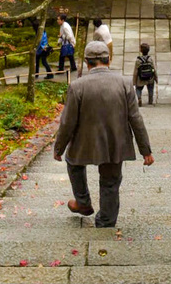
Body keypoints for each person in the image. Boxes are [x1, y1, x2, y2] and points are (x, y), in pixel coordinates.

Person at [54, 40, 154, 227]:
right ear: (108, 60)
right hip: (115, 143)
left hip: (84, 143)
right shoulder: (124, 83)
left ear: (87, 62)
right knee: (110, 181)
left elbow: (67, 122)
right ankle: (106, 220)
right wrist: (145, 151)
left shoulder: (77, 86)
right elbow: (135, 119)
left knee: (73, 163)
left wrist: (59, 148)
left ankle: (83, 203)